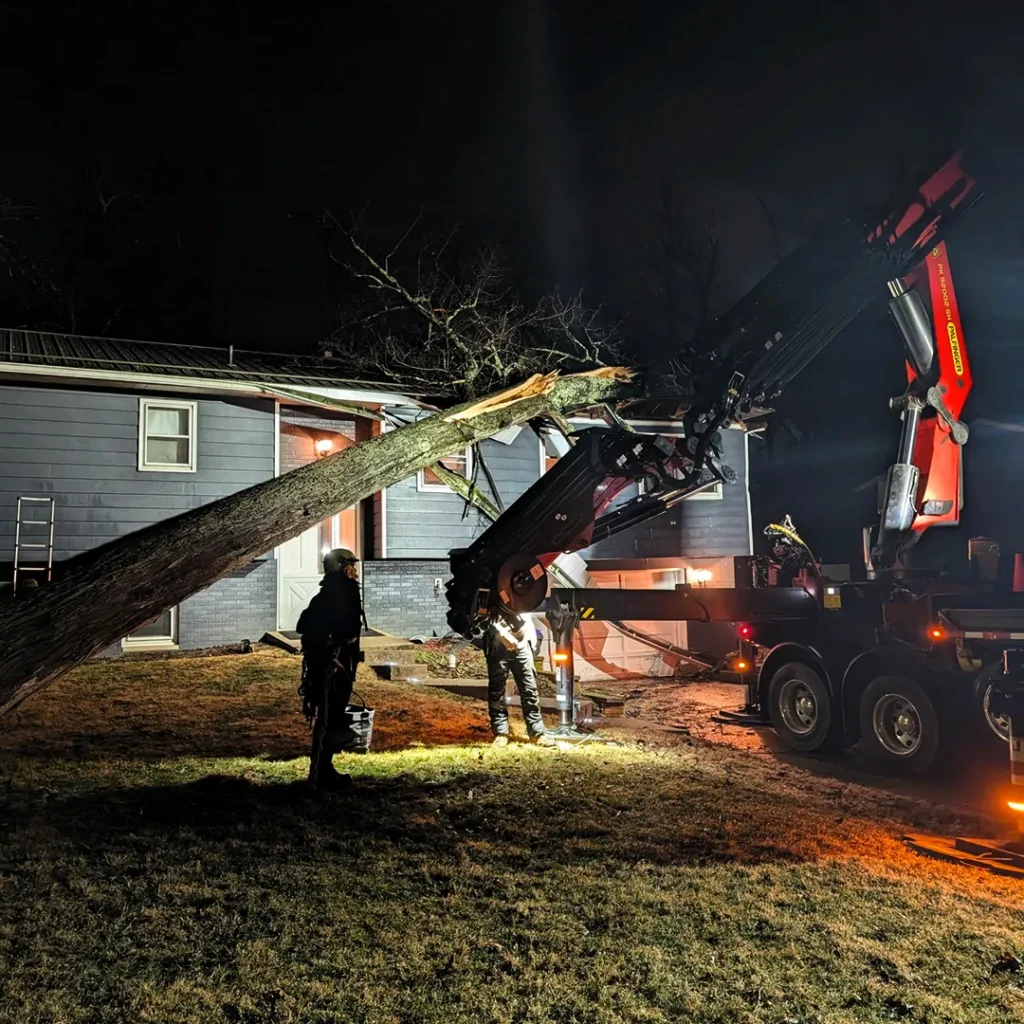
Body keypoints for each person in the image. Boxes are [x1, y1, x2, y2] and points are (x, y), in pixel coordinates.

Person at [296, 547, 364, 790]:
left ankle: (325, 769)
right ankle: (320, 775)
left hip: (341, 666)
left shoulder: (343, 592)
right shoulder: (335, 594)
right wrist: (330, 649)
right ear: (340, 566)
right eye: (350, 565)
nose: (354, 570)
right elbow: (305, 625)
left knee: (333, 718)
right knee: (327, 719)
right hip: (331, 668)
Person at [484, 609, 554, 747]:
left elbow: (527, 613)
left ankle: (537, 732)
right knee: (497, 691)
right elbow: (485, 615)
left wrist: (531, 641)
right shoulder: (493, 590)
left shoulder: (524, 591)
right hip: (498, 644)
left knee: (529, 690)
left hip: (522, 643)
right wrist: (501, 634)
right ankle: (501, 733)